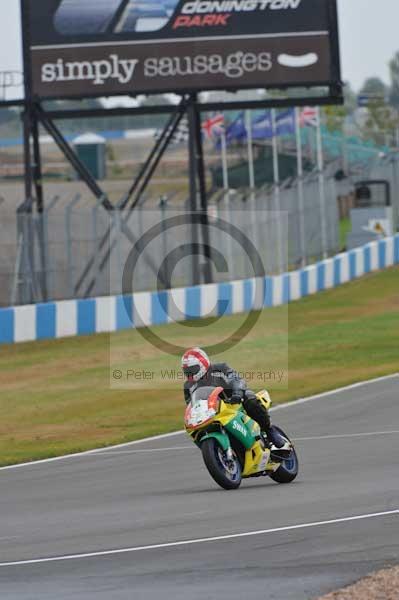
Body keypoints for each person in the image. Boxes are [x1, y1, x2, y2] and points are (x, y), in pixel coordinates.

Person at [182, 347, 289, 450]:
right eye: (187, 371)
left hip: (234, 401)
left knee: (250, 399)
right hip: (213, 411)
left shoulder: (220, 368)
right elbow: (192, 405)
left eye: (192, 369)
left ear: (203, 363)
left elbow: (236, 379)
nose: (190, 374)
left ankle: (270, 431)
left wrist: (237, 393)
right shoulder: (188, 386)